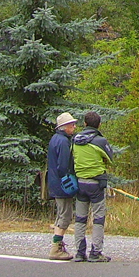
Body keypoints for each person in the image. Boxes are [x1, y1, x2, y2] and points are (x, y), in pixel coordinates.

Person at [71, 111, 115, 262]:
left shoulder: (75, 140)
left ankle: (79, 252)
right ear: (99, 125)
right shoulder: (100, 141)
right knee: (98, 218)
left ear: (85, 124)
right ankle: (95, 252)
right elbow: (110, 158)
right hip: (96, 184)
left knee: (80, 218)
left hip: (80, 182)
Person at [46, 112, 78, 260]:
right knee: (65, 216)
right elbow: (63, 166)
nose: (74, 127)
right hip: (62, 184)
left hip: (54, 182)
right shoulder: (64, 142)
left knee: (61, 214)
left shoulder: (55, 139)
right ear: (64, 127)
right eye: (72, 124)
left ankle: (57, 246)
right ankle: (56, 248)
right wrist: (71, 179)